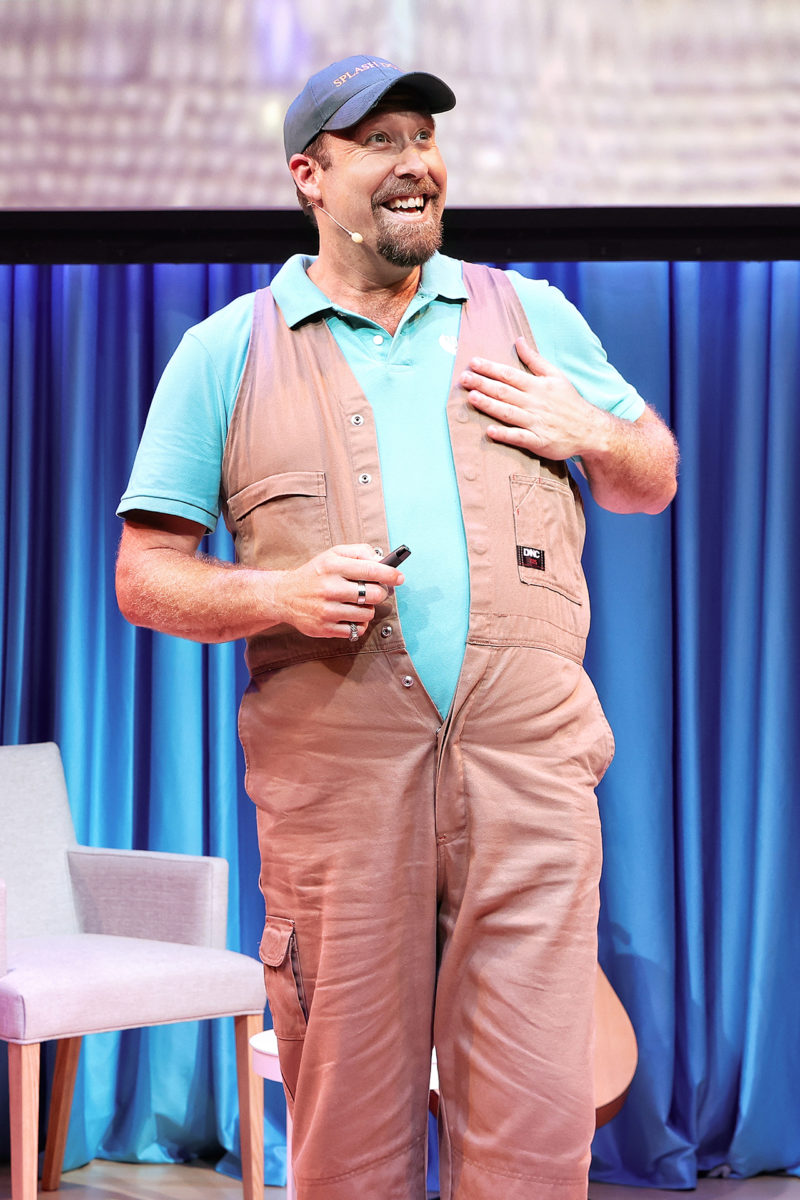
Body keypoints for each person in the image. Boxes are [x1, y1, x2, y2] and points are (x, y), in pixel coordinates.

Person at [116, 53, 678, 1200]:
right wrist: (276, 596)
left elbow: (649, 477)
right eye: (377, 142)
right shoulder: (228, 351)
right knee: (350, 1146)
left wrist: (591, 429)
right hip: (337, 803)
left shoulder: (530, 316)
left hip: (527, 790)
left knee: (531, 1138)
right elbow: (145, 576)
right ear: (308, 177)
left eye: (422, 138)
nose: (413, 162)